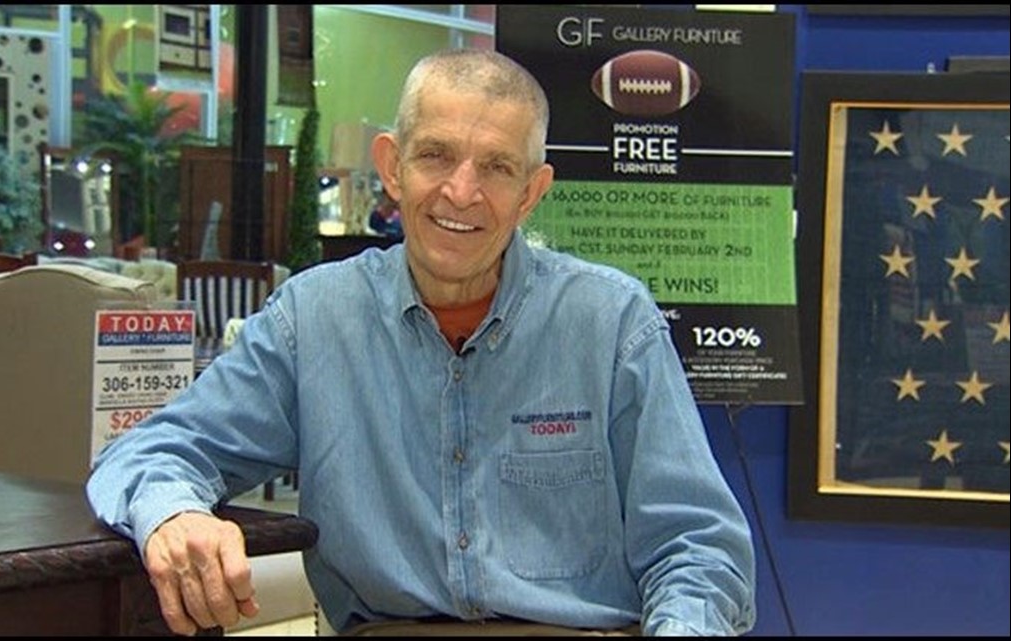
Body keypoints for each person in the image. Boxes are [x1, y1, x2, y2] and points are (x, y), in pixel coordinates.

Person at [86, 48, 756, 637]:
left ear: (531, 192)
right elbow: (151, 451)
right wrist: (174, 512)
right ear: (392, 166)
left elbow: (697, 543)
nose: (461, 192)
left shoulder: (611, 322)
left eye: (496, 167)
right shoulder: (315, 320)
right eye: (435, 154)